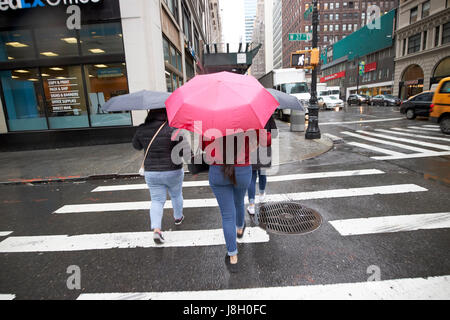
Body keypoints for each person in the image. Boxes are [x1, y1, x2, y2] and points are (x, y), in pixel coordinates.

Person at [204, 129, 269, 273]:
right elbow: (266, 139)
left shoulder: (211, 123)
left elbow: (205, 148)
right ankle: (240, 228)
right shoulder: (248, 121)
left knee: (227, 215)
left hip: (218, 170)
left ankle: (233, 256)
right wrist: (252, 145)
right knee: (239, 202)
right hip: (242, 170)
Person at [132, 108, 185, 244]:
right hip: (173, 170)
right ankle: (178, 217)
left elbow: (136, 146)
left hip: (152, 171)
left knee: (156, 200)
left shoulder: (142, 128)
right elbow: (184, 150)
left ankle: (157, 230)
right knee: (176, 194)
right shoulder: (173, 129)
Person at [247, 116, 278, 215]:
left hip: (251, 149)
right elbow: (274, 134)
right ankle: (261, 195)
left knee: (251, 177)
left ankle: (251, 205)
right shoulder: (268, 116)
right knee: (262, 173)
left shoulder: (247, 116)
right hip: (265, 149)